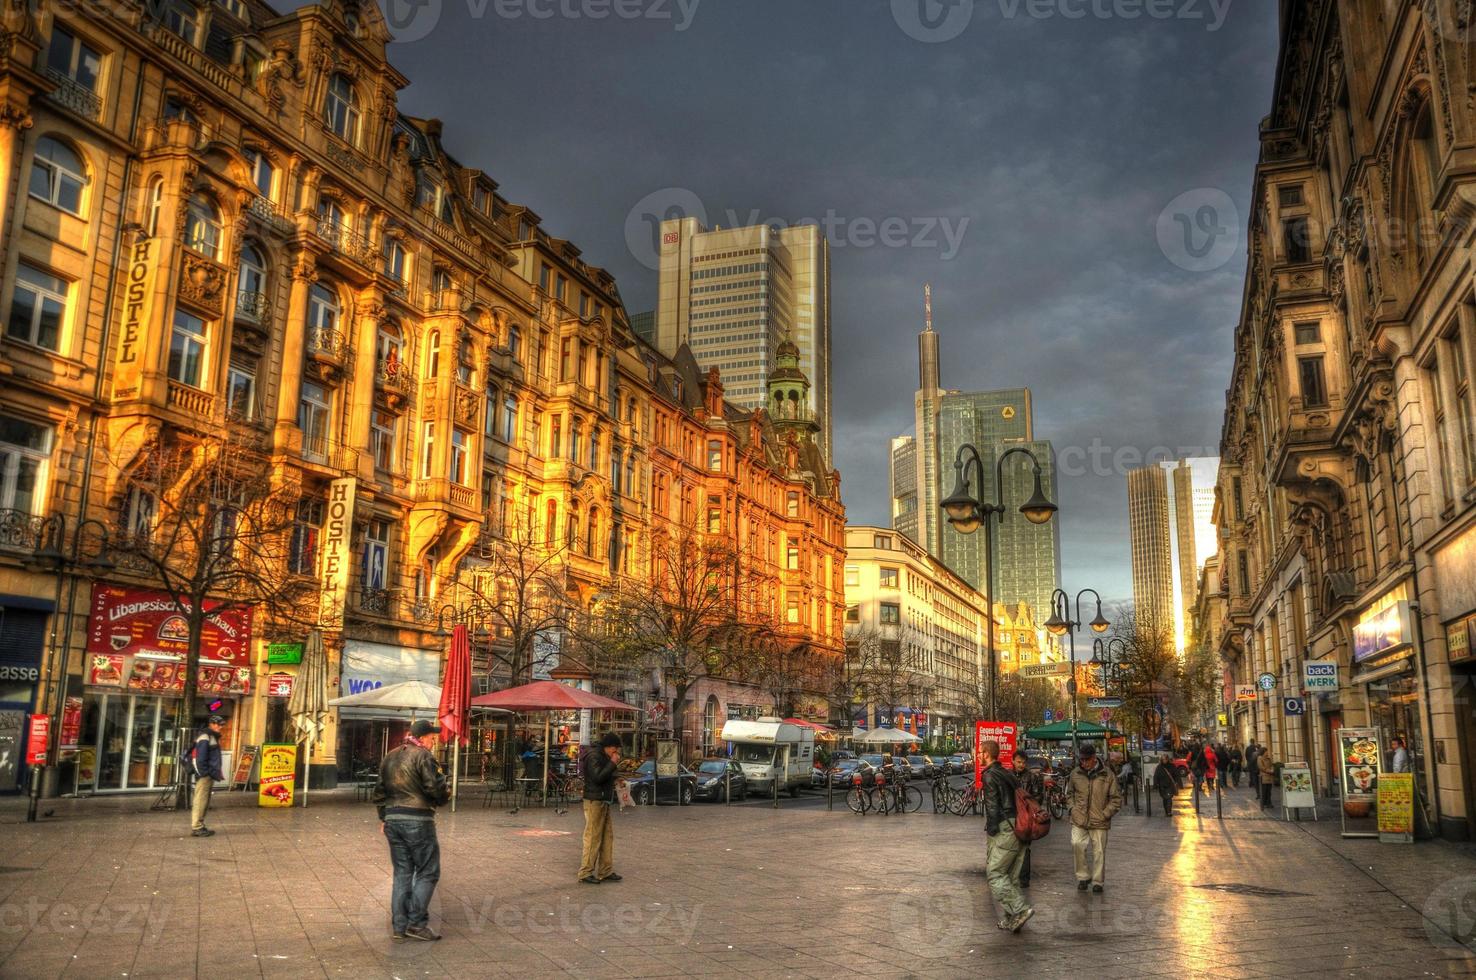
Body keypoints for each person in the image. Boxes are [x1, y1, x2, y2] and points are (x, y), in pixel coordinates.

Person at [372, 719, 451, 943]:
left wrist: (383, 817)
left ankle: (399, 926)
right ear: (424, 737)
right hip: (417, 819)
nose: (434, 740)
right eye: (432, 737)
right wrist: (445, 796)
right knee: (428, 871)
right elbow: (434, 787)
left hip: (393, 819)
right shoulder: (423, 755)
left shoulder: (390, 755)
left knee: (402, 873)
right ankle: (416, 923)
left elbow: (379, 791)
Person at [980, 740, 1033, 932]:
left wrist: (993, 831)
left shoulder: (989, 775)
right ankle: (1012, 919)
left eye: (980, 752)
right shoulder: (1007, 773)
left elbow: (992, 806)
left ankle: (1020, 910)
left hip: (1004, 827)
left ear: (986, 754)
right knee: (1011, 876)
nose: (979, 755)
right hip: (1019, 826)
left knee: (995, 873)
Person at [1066, 743, 1123, 893]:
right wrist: (1072, 809)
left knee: (1099, 852)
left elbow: (1116, 798)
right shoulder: (1075, 773)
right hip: (1079, 818)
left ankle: (1098, 881)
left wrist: (1106, 813)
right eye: (1081, 759)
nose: (1083, 762)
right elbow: (1069, 794)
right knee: (1077, 844)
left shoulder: (1107, 774)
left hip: (1100, 820)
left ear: (1094, 758)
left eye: (1086, 759)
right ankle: (1083, 877)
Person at [578, 733, 622, 884]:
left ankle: (605, 869)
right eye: (614, 750)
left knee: (607, 836)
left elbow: (606, 775)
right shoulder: (593, 756)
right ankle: (585, 872)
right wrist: (613, 763)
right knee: (593, 836)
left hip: (604, 799)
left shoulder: (602, 755)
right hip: (594, 800)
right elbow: (597, 777)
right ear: (608, 747)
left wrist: (617, 778)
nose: (616, 753)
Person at [1012, 752, 1044, 890]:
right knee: (1012, 846)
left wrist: (1029, 808)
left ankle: (1024, 878)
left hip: (1026, 817)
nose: (1021, 765)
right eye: (1018, 762)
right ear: (1013, 761)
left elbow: (1038, 796)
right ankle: (1013, 875)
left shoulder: (1031, 777)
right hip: (1012, 816)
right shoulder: (1008, 776)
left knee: (1024, 847)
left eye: (1023, 762)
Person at [190, 714, 226, 838]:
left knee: (204, 800)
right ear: (212, 724)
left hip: (208, 773)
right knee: (201, 800)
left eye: (222, 725)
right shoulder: (205, 736)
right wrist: (204, 773)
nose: (221, 727)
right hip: (205, 774)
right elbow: (200, 758)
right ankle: (197, 827)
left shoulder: (211, 736)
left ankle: (200, 825)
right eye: (219, 724)